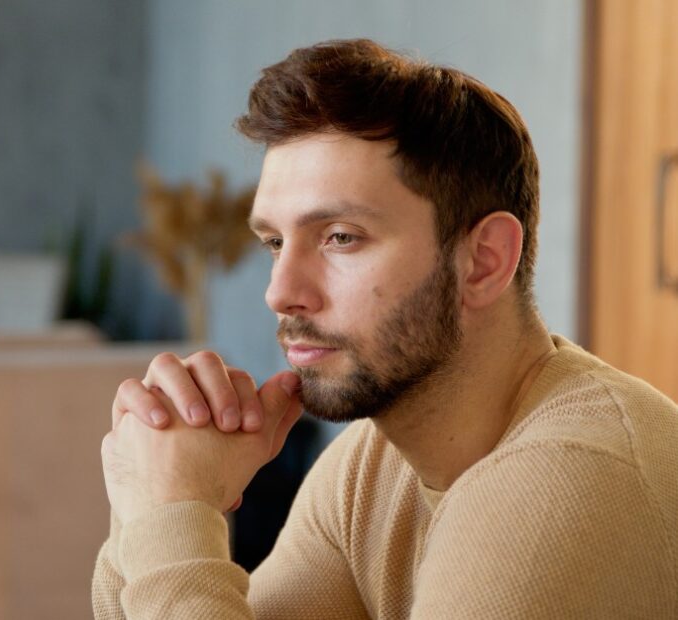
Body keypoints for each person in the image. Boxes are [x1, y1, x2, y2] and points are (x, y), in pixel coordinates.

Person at [92, 39, 678, 618]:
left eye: (340, 237)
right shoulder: (373, 466)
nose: (280, 292)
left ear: (484, 261)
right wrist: (148, 497)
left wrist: (174, 516)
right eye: (274, 242)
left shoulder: (568, 478)